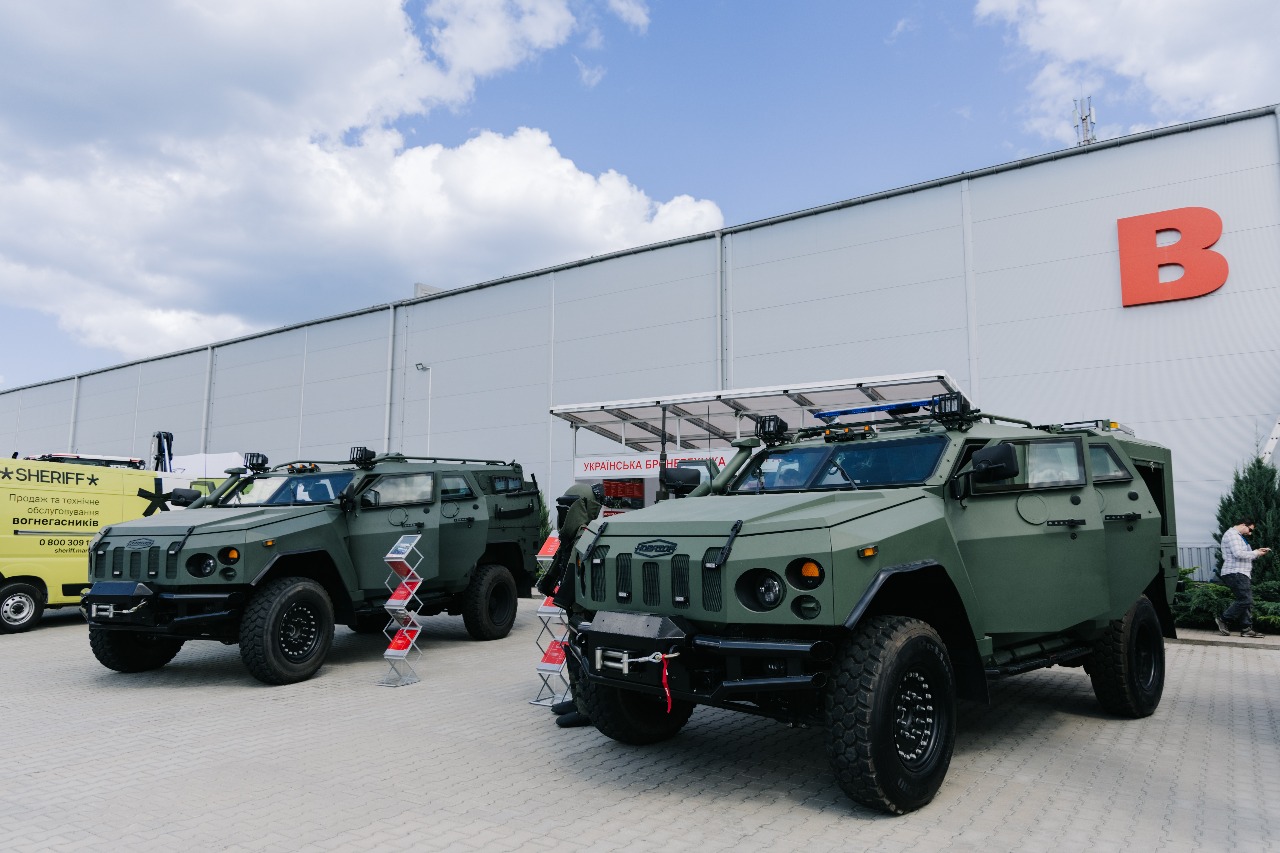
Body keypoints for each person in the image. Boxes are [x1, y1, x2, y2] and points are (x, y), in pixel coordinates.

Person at [536, 483, 603, 727]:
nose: (563, 511)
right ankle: (578, 701)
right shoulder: (572, 535)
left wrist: (562, 597)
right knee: (573, 652)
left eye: (568, 506)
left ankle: (587, 709)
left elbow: (578, 571)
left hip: (584, 608)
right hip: (574, 607)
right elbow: (561, 562)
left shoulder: (586, 535)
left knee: (583, 655)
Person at [1216, 519, 1271, 638]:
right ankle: (1223, 619)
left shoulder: (1237, 536)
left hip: (1240, 572)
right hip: (1235, 572)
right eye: (1250, 529)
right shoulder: (1232, 535)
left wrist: (1257, 553)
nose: (1250, 533)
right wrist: (1255, 553)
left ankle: (1246, 629)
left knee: (1244, 600)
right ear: (1242, 525)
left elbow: (1243, 554)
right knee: (1246, 600)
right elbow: (1238, 554)